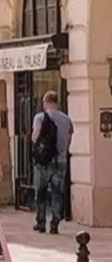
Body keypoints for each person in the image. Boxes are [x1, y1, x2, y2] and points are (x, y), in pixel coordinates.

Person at [32, 90, 74, 235]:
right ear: (56, 102)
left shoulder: (39, 117)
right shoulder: (66, 119)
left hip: (43, 162)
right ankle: (55, 223)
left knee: (41, 192)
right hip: (60, 161)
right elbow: (69, 140)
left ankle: (41, 222)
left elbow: (35, 137)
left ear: (46, 102)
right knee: (57, 193)